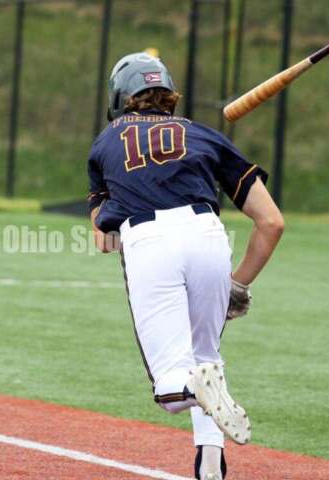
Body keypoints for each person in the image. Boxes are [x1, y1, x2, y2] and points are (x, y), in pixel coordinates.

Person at [87, 52, 284, 480]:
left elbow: (104, 238)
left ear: (121, 98)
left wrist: (115, 208)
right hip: (210, 238)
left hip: (151, 243)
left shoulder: (106, 141)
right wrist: (238, 284)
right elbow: (271, 222)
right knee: (206, 358)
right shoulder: (205, 136)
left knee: (173, 391)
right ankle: (210, 466)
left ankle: (195, 391)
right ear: (168, 95)